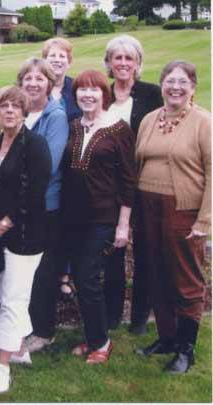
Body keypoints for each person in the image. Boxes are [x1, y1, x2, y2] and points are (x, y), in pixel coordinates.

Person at [134, 61, 210, 374]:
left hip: (183, 208)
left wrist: (205, 220)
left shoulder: (203, 122)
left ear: (192, 87)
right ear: (162, 85)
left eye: (182, 82)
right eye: (169, 81)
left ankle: (185, 349)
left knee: (186, 279)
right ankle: (166, 338)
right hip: (147, 207)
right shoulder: (151, 119)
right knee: (156, 273)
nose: (175, 87)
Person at [60, 70, 136, 365]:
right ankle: (94, 336)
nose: (87, 95)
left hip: (104, 216)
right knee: (81, 277)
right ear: (75, 94)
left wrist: (123, 224)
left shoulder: (119, 130)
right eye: (81, 89)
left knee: (88, 277)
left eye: (94, 90)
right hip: (74, 217)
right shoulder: (73, 126)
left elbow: (129, 180)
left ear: (104, 94)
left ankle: (102, 342)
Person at [0, 86, 51, 395]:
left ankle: (2, 366)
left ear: (25, 112)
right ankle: (20, 349)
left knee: (13, 300)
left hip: (24, 235)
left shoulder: (36, 145)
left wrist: (1, 226)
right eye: (3, 106)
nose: (9, 111)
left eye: (15, 106)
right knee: (4, 294)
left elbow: (34, 195)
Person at [103, 34, 164, 333]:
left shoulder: (152, 95)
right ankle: (112, 314)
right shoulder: (102, 94)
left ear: (138, 64)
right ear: (109, 63)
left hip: (145, 184)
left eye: (130, 58)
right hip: (108, 189)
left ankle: (140, 315)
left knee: (146, 251)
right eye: (118, 58)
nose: (123, 63)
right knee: (112, 250)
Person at [16, 57, 69, 355]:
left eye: (40, 79)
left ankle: (44, 331)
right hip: (22, 205)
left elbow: (48, 163)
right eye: (28, 78)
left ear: (49, 83)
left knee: (44, 270)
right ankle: (26, 328)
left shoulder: (55, 116)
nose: (33, 83)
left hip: (44, 205)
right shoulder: (19, 112)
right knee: (27, 271)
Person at [41, 37, 82, 122]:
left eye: (62, 56)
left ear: (69, 62)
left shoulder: (77, 87)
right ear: (44, 60)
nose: (57, 60)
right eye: (52, 55)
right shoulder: (35, 87)